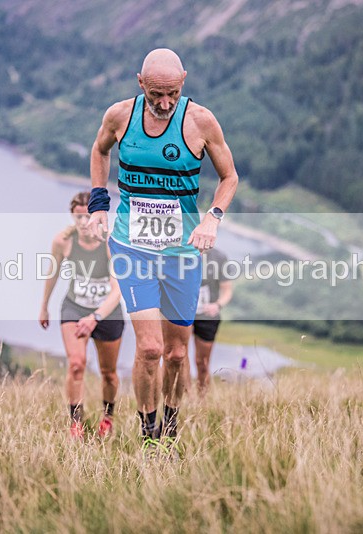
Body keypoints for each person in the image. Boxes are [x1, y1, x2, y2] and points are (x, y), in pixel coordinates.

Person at [86, 48, 239, 454]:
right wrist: (99, 205)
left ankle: (170, 428)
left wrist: (212, 218)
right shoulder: (120, 116)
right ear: (141, 83)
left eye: (172, 92)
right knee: (150, 348)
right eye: (156, 94)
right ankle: (149, 433)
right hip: (132, 246)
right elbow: (99, 151)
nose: (165, 102)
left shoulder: (201, 121)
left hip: (182, 252)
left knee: (175, 353)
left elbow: (229, 176)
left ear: (184, 81)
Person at [39, 191, 125, 440]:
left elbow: (117, 289)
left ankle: (107, 418)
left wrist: (95, 317)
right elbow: (52, 273)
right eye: (79, 217)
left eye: (88, 216)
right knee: (76, 364)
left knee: (108, 372)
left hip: (106, 313)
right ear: (72, 218)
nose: (84, 222)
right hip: (74, 307)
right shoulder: (63, 241)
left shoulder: (110, 243)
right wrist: (44, 305)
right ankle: (75, 422)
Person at [187, 247, 234, 398]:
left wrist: (217, 305)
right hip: (184, 312)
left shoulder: (219, 257)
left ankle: (202, 399)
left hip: (207, 316)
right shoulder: (180, 252)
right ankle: (184, 398)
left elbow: (227, 290)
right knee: (178, 356)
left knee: (202, 362)